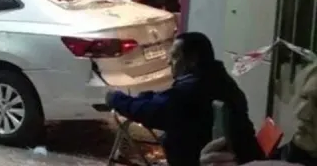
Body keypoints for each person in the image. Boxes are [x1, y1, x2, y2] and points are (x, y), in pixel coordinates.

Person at [106, 32, 263, 166]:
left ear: (192, 60)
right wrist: (147, 97)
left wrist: (115, 98)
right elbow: (166, 101)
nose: (169, 62)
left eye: (175, 57)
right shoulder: (217, 79)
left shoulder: (194, 89)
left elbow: (153, 111)